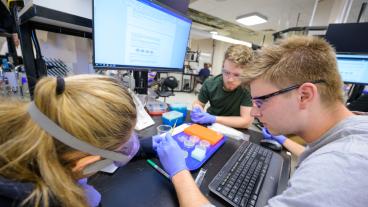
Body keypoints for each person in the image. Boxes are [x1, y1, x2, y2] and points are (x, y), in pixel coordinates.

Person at [0, 75, 211, 207]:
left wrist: (147, 144)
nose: (131, 145)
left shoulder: (39, 128)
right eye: (124, 146)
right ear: (83, 163)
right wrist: (181, 175)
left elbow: (100, 144)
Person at [241, 35, 368, 206]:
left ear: (304, 95)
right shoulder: (355, 129)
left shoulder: (340, 167)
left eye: (260, 101)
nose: (254, 112)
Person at [191, 44, 254, 129]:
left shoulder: (248, 88)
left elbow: (246, 122)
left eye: (237, 75)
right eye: (227, 72)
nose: (230, 79)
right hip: (210, 126)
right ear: (223, 66)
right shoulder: (210, 83)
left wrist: (214, 118)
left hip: (235, 129)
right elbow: (199, 103)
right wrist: (197, 108)